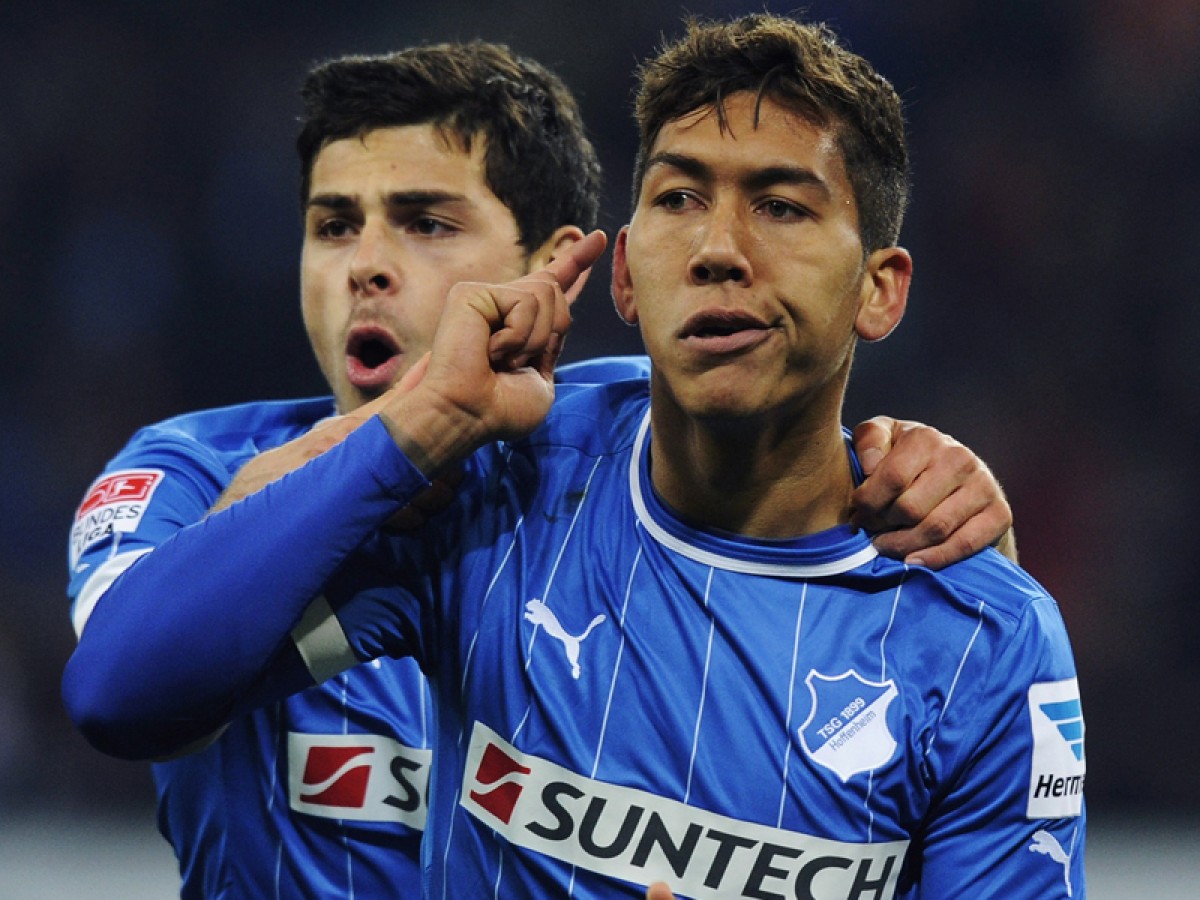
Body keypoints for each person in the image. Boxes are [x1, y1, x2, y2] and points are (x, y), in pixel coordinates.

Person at [62, 25, 1029, 900]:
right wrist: (422, 424)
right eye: (333, 225)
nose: (365, 265)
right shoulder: (191, 472)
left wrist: (945, 544)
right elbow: (121, 692)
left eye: (426, 222)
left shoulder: (570, 473)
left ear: (558, 269)